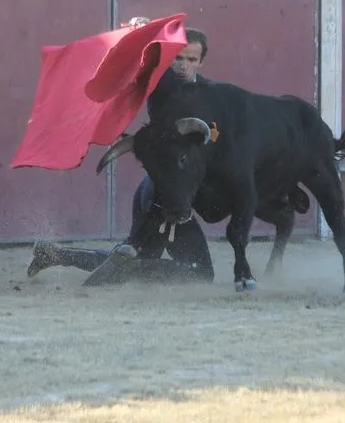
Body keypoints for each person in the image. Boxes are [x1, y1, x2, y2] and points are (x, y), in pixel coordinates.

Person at [27, 24, 216, 286]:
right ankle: (125, 267)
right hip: (166, 194)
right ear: (169, 58)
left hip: (154, 189)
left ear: (201, 62)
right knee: (200, 274)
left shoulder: (211, 92)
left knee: (142, 255)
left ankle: (55, 255)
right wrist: (143, 32)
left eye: (192, 60)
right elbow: (146, 59)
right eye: (178, 58)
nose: (183, 65)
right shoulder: (164, 83)